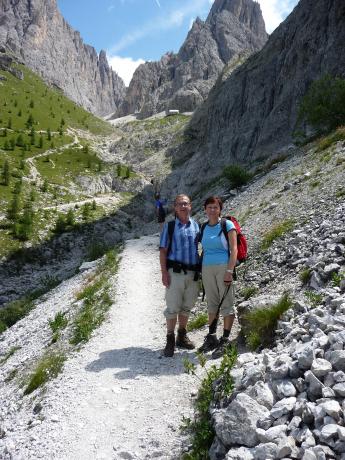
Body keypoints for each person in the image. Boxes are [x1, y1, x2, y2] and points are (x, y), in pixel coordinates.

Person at [159, 194, 200, 357]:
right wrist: (164, 273)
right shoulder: (169, 227)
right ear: (175, 208)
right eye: (179, 204)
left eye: (186, 204)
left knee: (187, 306)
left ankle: (182, 335)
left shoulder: (196, 226)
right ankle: (170, 339)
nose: (183, 207)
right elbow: (163, 251)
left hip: (193, 272)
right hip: (174, 273)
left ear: (190, 206)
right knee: (173, 307)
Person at [198, 196, 238, 359]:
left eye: (215, 207)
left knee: (227, 302)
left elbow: (234, 249)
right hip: (207, 268)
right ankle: (212, 336)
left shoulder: (227, 225)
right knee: (212, 303)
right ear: (205, 209)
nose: (212, 210)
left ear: (220, 209)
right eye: (209, 207)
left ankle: (226, 339)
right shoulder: (203, 227)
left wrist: (229, 271)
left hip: (223, 267)